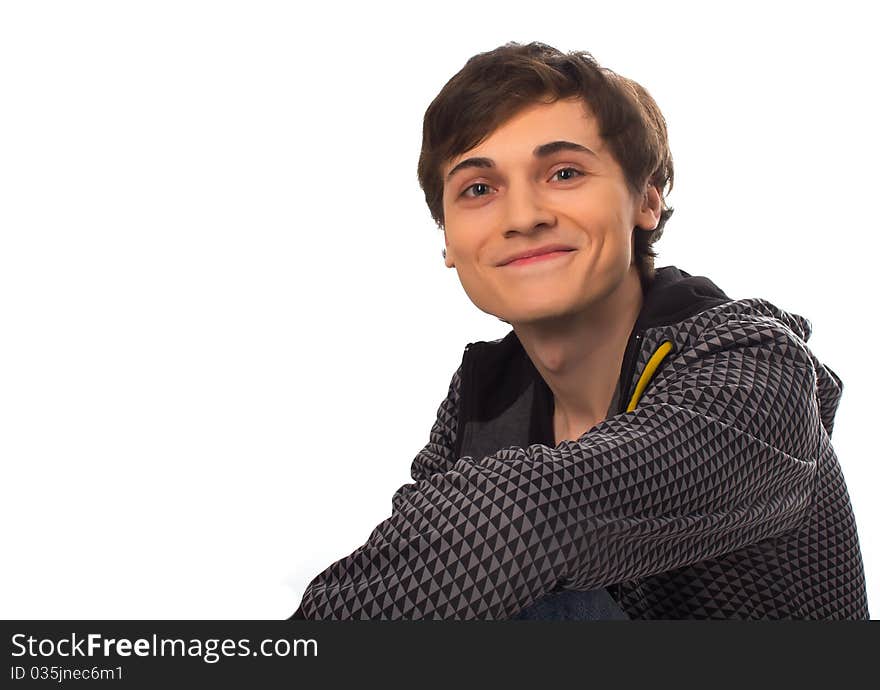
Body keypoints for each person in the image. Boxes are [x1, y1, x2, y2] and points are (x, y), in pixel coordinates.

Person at [289, 41, 869, 620]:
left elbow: (529, 517)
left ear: (646, 199)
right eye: (478, 189)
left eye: (564, 173)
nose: (523, 217)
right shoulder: (482, 399)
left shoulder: (752, 363)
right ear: (447, 239)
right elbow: (412, 562)